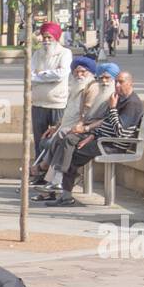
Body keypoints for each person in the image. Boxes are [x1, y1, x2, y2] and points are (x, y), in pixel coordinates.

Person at [45, 67, 143, 207]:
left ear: (130, 83)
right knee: (69, 138)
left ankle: (62, 184)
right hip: (102, 139)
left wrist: (113, 108)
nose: (117, 85)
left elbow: (119, 131)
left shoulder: (132, 104)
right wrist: (92, 134)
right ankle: (62, 182)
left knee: (71, 153)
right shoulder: (118, 98)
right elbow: (106, 122)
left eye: (121, 82)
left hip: (112, 145)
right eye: (116, 82)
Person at [30, 56, 99, 195]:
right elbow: (68, 112)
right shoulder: (75, 87)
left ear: (90, 73)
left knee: (61, 137)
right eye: (76, 72)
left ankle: (48, 172)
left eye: (83, 72)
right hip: (68, 126)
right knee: (48, 139)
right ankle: (51, 178)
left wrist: (79, 127)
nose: (79, 75)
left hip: (81, 129)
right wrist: (56, 126)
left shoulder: (92, 88)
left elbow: (87, 114)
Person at [30, 22, 73, 159]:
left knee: (56, 140)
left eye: (49, 37)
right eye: (44, 37)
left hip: (57, 103)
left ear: (56, 37)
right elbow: (30, 75)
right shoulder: (37, 54)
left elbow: (61, 74)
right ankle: (38, 173)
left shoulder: (65, 53)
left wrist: (41, 74)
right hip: (38, 104)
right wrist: (49, 75)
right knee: (39, 141)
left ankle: (53, 174)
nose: (47, 41)